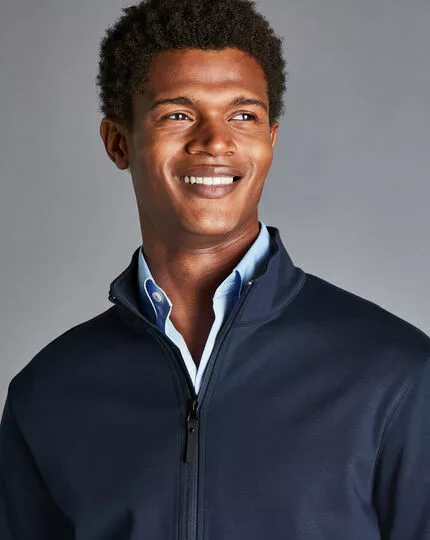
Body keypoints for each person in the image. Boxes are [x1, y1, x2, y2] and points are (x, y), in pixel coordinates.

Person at [1, 0, 429, 538]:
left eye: (243, 115)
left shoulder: (398, 374)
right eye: (178, 115)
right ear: (118, 142)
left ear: (270, 141)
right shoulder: (49, 393)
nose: (215, 141)